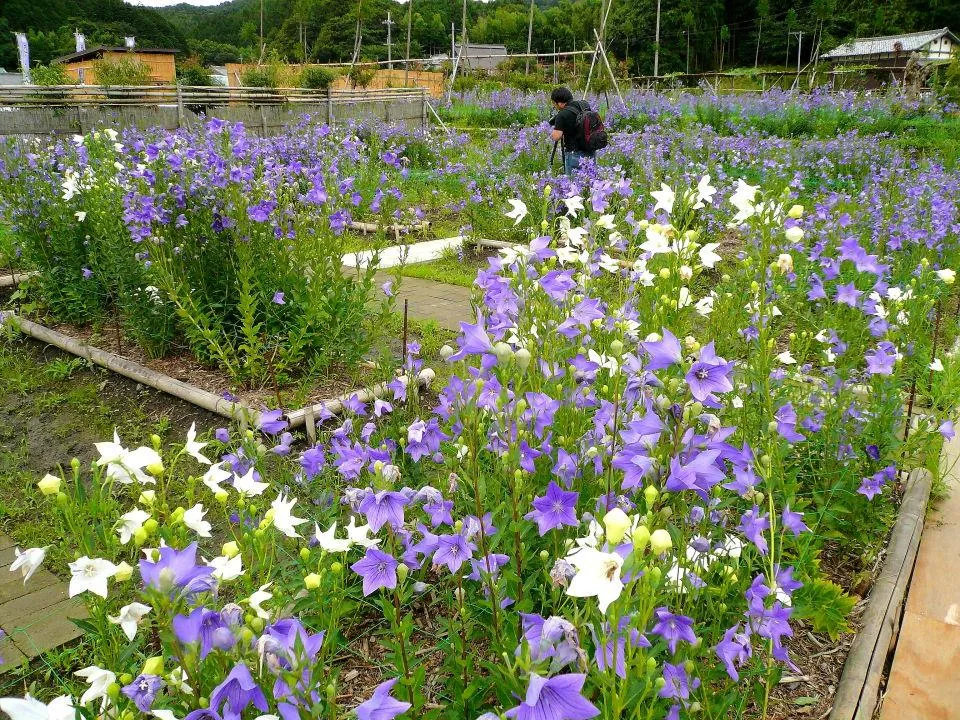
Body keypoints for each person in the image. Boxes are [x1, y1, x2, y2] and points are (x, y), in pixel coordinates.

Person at [549, 87, 593, 176]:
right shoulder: (584, 105)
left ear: (560, 102)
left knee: (572, 184)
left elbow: (556, 136)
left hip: (574, 154)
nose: (554, 106)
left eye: (554, 103)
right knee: (589, 182)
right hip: (591, 150)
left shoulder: (562, 115)